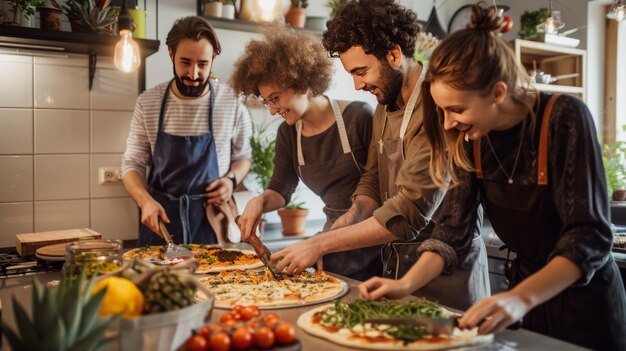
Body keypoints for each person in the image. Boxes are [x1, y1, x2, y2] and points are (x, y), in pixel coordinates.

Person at [360, 4, 626, 350]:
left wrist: (519, 299)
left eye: (456, 109)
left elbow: (589, 236)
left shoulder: (564, 117)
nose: (446, 123)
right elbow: (454, 230)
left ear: (498, 93)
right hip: (527, 299)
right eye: (441, 110)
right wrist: (406, 284)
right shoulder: (472, 138)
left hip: (585, 305)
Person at [269, 0, 490, 310]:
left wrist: (319, 243)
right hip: (397, 269)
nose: (358, 85)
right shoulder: (383, 107)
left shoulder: (439, 107)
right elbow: (372, 178)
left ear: (394, 54)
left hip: (449, 277)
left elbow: (409, 212)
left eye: (362, 71)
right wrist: (355, 213)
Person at [230, 28, 381, 280]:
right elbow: (280, 190)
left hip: (375, 245)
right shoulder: (289, 134)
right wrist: (260, 201)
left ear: (301, 82)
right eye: (268, 102)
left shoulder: (358, 117)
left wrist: (337, 231)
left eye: (275, 98)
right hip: (331, 246)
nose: (273, 110)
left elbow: (378, 185)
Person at [122, 16, 252, 246]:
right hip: (162, 221)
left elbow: (243, 158)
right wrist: (145, 202)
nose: (193, 74)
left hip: (211, 221)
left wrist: (231, 181)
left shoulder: (230, 102)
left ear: (213, 59)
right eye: (185, 62)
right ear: (171, 55)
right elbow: (132, 164)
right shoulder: (148, 102)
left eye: (202, 64)